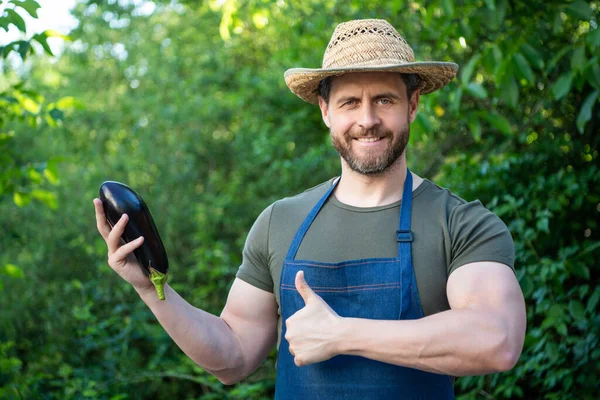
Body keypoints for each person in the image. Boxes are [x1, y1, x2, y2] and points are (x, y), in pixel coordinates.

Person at [93, 19, 526, 399]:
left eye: (385, 100)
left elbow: (497, 339)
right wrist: (152, 290)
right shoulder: (280, 222)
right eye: (349, 103)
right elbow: (232, 357)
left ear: (412, 105)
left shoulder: (462, 223)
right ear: (325, 111)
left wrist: (342, 335)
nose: (367, 119)